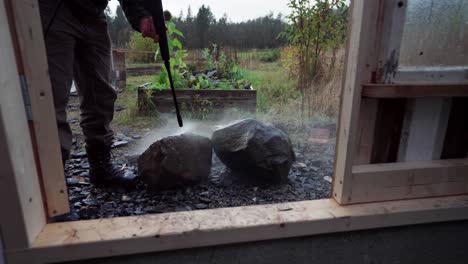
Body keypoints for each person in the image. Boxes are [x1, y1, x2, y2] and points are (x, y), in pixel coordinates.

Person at [38, 0, 160, 187]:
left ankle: (100, 167)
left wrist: (141, 17)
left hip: (93, 13)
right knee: (49, 95)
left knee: (101, 93)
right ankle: (52, 185)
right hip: (54, 9)